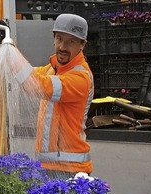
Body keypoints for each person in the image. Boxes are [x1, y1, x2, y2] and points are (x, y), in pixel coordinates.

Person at [13, 14, 94, 176]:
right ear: (54, 39)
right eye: (59, 39)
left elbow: (38, 86)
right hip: (49, 167)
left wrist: (10, 52)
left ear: (82, 45)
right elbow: (27, 76)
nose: (63, 46)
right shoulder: (53, 69)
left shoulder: (81, 78)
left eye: (71, 41)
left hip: (70, 170)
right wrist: (5, 47)